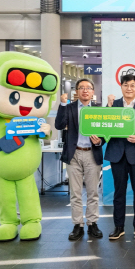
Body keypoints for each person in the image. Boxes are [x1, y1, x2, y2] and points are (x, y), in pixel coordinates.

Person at [55, 78, 106, 241]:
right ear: (76, 92)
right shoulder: (68, 108)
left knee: (93, 192)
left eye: (88, 88)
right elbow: (58, 125)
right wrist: (62, 104)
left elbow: (105, 131)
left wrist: (100, 140)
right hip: (74, 153)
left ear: (93, 92)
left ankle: (92, 223)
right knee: (75, 193)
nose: (85, 90)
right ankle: (78, 225)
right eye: (81, 88)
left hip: (92, 153)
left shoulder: (99, 110)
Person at [105, 74, 135, 241]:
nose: (129, 88)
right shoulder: (113, 104)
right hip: (117, 154)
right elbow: (106, 125)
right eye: (126, 85)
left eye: (132, 85)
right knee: (119, 192)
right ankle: (119, 227)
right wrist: (108, 107)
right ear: (121, 87)